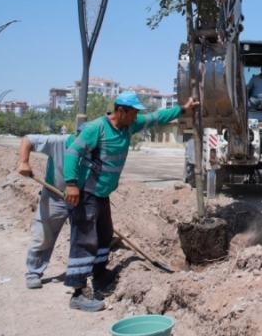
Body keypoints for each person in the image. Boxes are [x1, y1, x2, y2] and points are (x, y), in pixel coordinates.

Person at [61, 91, 198, 312]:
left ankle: (99, 275)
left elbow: (157, 117)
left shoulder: (128, 126)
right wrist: (70, 184)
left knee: (105, 234)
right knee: (85, 240)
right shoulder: (96, 128)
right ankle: (78, 291)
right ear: (121, 111)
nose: (136, 117)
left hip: (101, 194)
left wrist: (183, 109)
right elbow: (72, 152)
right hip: (86, 193)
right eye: (133, 112)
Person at [17, 126, 84, 289]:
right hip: (55, 194)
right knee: (44, 234)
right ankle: (34, 271)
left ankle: (82, 272)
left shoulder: (95, 147)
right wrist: (23, 162)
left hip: (82, 197)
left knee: (84, 236)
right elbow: (28, 139)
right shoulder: (58, 142)